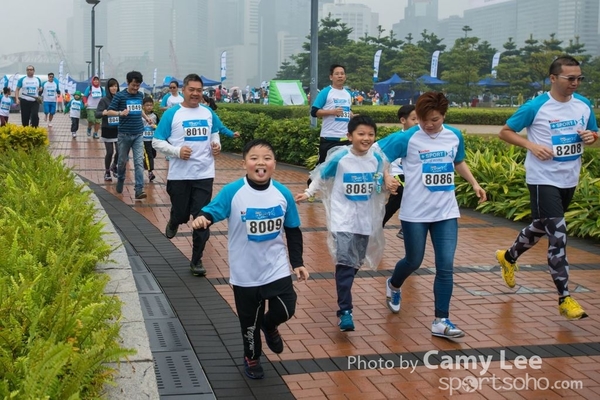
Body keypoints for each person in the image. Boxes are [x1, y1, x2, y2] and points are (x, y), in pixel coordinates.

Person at [191, 139, 309, 380]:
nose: (260, 163)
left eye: (267, 158)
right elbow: (211, 211)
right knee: (249, 324)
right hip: (245, 273)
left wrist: (297, 262)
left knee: (287, 308)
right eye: (254, 158)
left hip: (276, 268)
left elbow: (293, 230)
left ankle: (270, 324)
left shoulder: (283, 193)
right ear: (244, 163)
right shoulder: (233, 191)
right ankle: (252, 357)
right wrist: (203, 218)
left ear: (274, 163)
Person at [495, 56, 598, 320]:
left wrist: (592, 137)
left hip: (569, 179)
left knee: (542, 225)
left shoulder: (584, 104)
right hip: (543, 179)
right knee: (558, 235)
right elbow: (505, 131)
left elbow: (594, 135)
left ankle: (508, 257)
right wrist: (531, 145)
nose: (575, 83)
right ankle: (565, 298)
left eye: (579, 78)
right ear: (553, 78)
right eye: (570, 78)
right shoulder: (536, 106)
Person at [377, 92, 486, 339]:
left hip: (445, 211)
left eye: (434, 120)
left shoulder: (454, 136)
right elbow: (378, 155)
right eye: (423, 119)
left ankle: (441, 320)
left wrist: (475, 183)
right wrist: (387, 176)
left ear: (444, 116)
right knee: (413, 260)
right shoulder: (407, 137)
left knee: (445, 266)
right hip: (415, 212)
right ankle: (393, 284)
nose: (428, 125)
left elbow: (458, 161)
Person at [296, 115, 387, 332]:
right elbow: (321, 176)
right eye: (361, 134)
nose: (366, 138)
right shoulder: (341, 158)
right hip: (342, 219)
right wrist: (308, 192)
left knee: (355, 263)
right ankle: (345, 310)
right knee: (346, 263)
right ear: (350, 136)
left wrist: (386, 186)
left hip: (364, 220)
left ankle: (343, 283)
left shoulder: (377, 159)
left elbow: (377, 184)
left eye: (370, 134)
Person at [152, 73, 223, 276]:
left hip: (204, 174)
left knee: (202, 218)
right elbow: (157, 141)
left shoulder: (208, 112)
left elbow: (215, 133)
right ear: (183, 90)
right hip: (179, 176)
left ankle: (196, 260)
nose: (195, 93)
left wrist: (217, 145)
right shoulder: (172, 114)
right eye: (191, 89)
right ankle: (175, 219)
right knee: (182, 214)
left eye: (199, 90)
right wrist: (177, 151)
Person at [309, 64, 353, 187]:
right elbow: (314, 112)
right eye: (337, 74)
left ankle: (338, 190)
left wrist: (352, 116)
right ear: (331, 77)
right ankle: (311, 186)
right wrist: (331, 112)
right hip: (329, 137)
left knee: (344, 167)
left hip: (345, 138)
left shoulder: (348, 93)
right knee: (322, 167)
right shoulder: (326, 92)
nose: (340, 76)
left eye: (342, 73)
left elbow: (346, 111)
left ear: (345, 76)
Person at [107, 70, 147, 200]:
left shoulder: (140, 95)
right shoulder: (120, 96)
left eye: (138, 85)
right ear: (128, 82)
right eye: (133, 85)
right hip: (124, 135)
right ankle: (120, 179)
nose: (135, 88)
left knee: (139, 162)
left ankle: (139, 189)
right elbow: (109, 111)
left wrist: (146, 118)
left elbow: (139, 109)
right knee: (122, 161)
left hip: (138, 133)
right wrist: (120, 113)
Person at [382, 105, 419, 238]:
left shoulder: (423, 139)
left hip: (414, 177)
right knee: (404, 194)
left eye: (419, 119)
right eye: (414, 119)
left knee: (396, 201)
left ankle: (377, 225)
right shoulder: (397, 138)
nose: (417, 122)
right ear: (403, 120)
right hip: (397, 174)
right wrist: (386, 175)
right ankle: (405, 227)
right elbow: (380, 156)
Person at [96, 78, 121, 181]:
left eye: (116, 86)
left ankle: (114, 165)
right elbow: (97, 114)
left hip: (118, 129)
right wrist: (104, 113)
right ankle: (107, 172)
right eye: (112, 86)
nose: (114, 88)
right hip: (107, 129)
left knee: (120, 151)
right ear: (108, 88)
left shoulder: (120, 99)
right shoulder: (104, 100)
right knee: (110, 152)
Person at [142, 97, 158, 182]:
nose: (149, 107)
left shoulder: (155, 116)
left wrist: (154, 126)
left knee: (153, 154)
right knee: (149, 155)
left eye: (151, 105)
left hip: (153, 139)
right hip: (144, 139)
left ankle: (144, 163)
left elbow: (159, 126)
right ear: (143, 106)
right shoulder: (140, 116)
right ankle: (150, 172)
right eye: (147, 105)